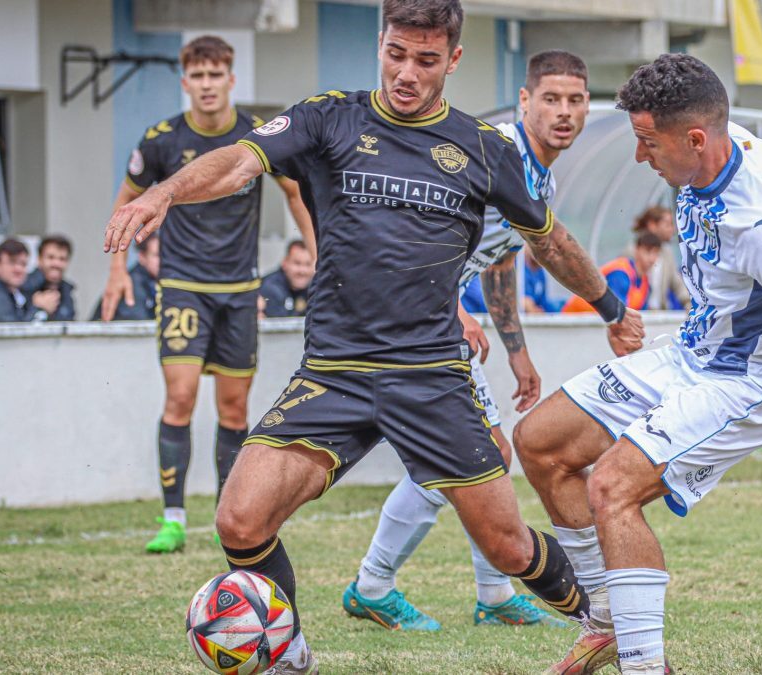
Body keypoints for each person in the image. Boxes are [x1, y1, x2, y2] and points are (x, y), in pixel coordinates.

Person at [102, 2, 645, 672]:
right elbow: (241, 161)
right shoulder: (330, 115)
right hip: (333, 371)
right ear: (380, 44)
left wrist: (611, 307)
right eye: (396, 53)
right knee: (239, 520)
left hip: (433, 376)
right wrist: (164, 195)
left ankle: (608, 618)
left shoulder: (483, 147)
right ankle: (288, 651)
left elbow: (551, 243)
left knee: (506, 545)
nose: (407, 72)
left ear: (453, 59)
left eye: (425, 59)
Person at [512, 54, 762, 675]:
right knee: (538, 442)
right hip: (689, 354)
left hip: (747, 384)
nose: (642, 157)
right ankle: (609, 623)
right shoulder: (737, 140)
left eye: (648, 142)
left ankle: (645, 665)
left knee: (611, 486)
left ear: (695, 139)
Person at [342, 49, 591, 632]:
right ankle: (376, 584)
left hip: (425, 317)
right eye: (550, 98)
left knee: (482, 456)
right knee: (468, 456)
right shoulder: (488, 149)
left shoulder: (539, 175)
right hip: (411, 315)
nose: (564, 112)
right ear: (525, 101)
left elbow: (498, 256)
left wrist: (517, 350)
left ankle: (490, 594)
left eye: (575, 100)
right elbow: (414, 230)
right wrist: (450, 306)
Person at [98, 35, 315, 555]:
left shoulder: (255, 138)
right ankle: (172, 516)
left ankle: (226, 512)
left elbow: (295, 194)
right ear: (185, 82)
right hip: (182, 288)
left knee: (234, 409)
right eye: (198, 76)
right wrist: (116, 272)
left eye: (216, 75)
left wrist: (319, 252)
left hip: (240, 291)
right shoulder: (161, 140)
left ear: (231, 80)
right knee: (180, 396)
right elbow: (127, 198)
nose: (207, 85)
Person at [562, 230, 663, 312]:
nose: (652, 258)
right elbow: (617, 311)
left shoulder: (645, 284)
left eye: (656, 253)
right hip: (575, 317)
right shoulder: (621, 272)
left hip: (595, 323)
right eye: (648, 252)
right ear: (637, 249)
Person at [632, 206, 689, 310]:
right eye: (668, 225)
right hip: (638, 314)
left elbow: (677, 284)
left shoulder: (667, 254)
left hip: (658, 315)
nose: (672, 230)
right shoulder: (631, 252)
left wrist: (688, 303)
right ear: (652, 225)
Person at [91, 235, 160, 320]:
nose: (162, 260)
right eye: (157, 255)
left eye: (165, 255)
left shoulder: (153, 281)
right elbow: (138, 326)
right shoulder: (134, 283)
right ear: (142, 257)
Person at [21, 234, 76, 321]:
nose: (56, 264)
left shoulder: (67, 291)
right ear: (39, 259)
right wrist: (36, 307)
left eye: (62, 259)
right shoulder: (23, 286)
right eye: (51, 257)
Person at [260, 240, 314, 318]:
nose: (302, 271)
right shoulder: (271, 287)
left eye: (308, 264)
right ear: (284, 263)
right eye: (297, 263)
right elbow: (279, 327)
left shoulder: (315, 287)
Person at [523, 244, 562, 313]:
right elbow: (524, 303)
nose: (539, 250)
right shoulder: (518, 268)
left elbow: (543, 303)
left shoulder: (540, 272)